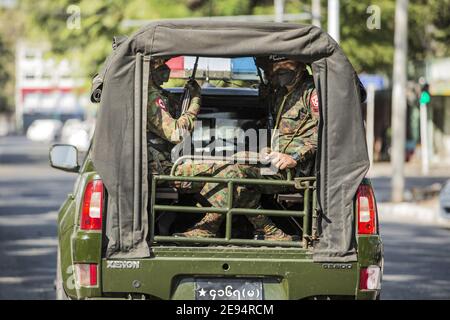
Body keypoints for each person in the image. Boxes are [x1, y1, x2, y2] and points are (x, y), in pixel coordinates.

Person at [174, 56, 320, 241]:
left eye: (285, 63)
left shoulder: (311, 92)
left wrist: (294, 157)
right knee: (233, 169)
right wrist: (265, 150)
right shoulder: (282, 94)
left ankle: (207, 228)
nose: (278, 68)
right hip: (274, 162)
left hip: (294, 169)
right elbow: (281, 133)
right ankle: (271, 232)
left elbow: (325, 130)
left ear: (300, 65)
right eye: (275, 65)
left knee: (231, 171)